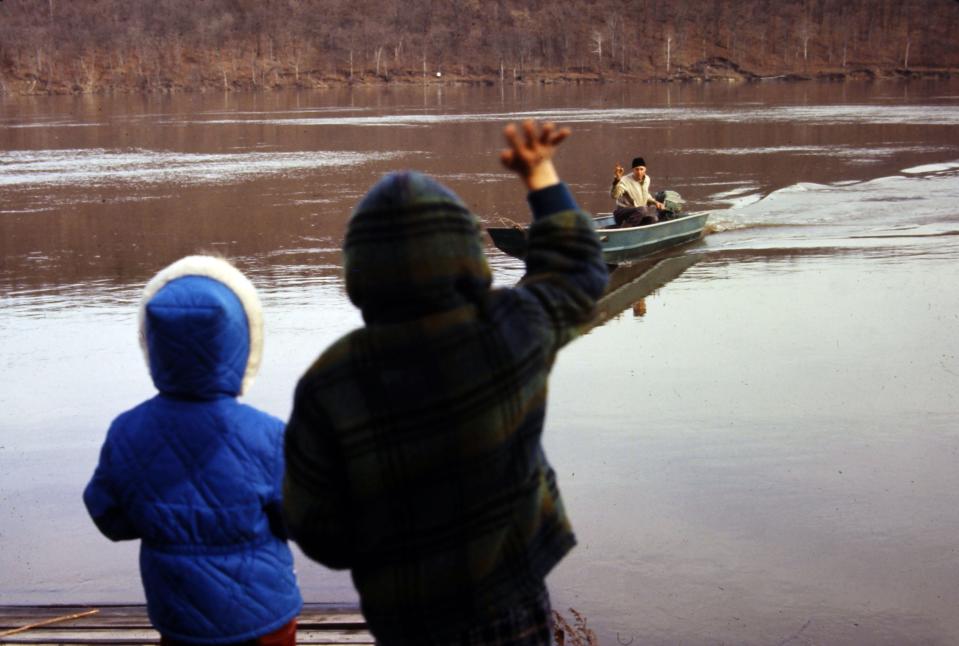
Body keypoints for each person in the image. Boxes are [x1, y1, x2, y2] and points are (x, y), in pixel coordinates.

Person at [282, 120, 608, 645]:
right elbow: (580, 271)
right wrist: (541, 174)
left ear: (358, 270)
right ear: (468, 253)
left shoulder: (331, 380)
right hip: (512, 603)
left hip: (407, 621)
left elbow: (318, 531)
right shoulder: (509, 329)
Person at [83, 255, 302, 646]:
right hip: (265, 620)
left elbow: (109, 518)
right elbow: (298, 519)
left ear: (151, 342)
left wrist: (165, 522)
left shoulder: (126, 432)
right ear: (243, 342)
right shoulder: (269, 435)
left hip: (180, 620)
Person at [610, 156, 665, 227]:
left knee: (653, 219)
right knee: (642, 209)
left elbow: (646, 196)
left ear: (645, 169)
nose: (639, 172)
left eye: (641, 169)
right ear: (633, 170)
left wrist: (655, 202)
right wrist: (617, 180)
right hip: (622, 213)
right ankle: (624, 230)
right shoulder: (624, 180)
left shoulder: (647, 179)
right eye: (637, 169)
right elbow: (614, 196)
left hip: (637, 214)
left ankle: (634, 230)